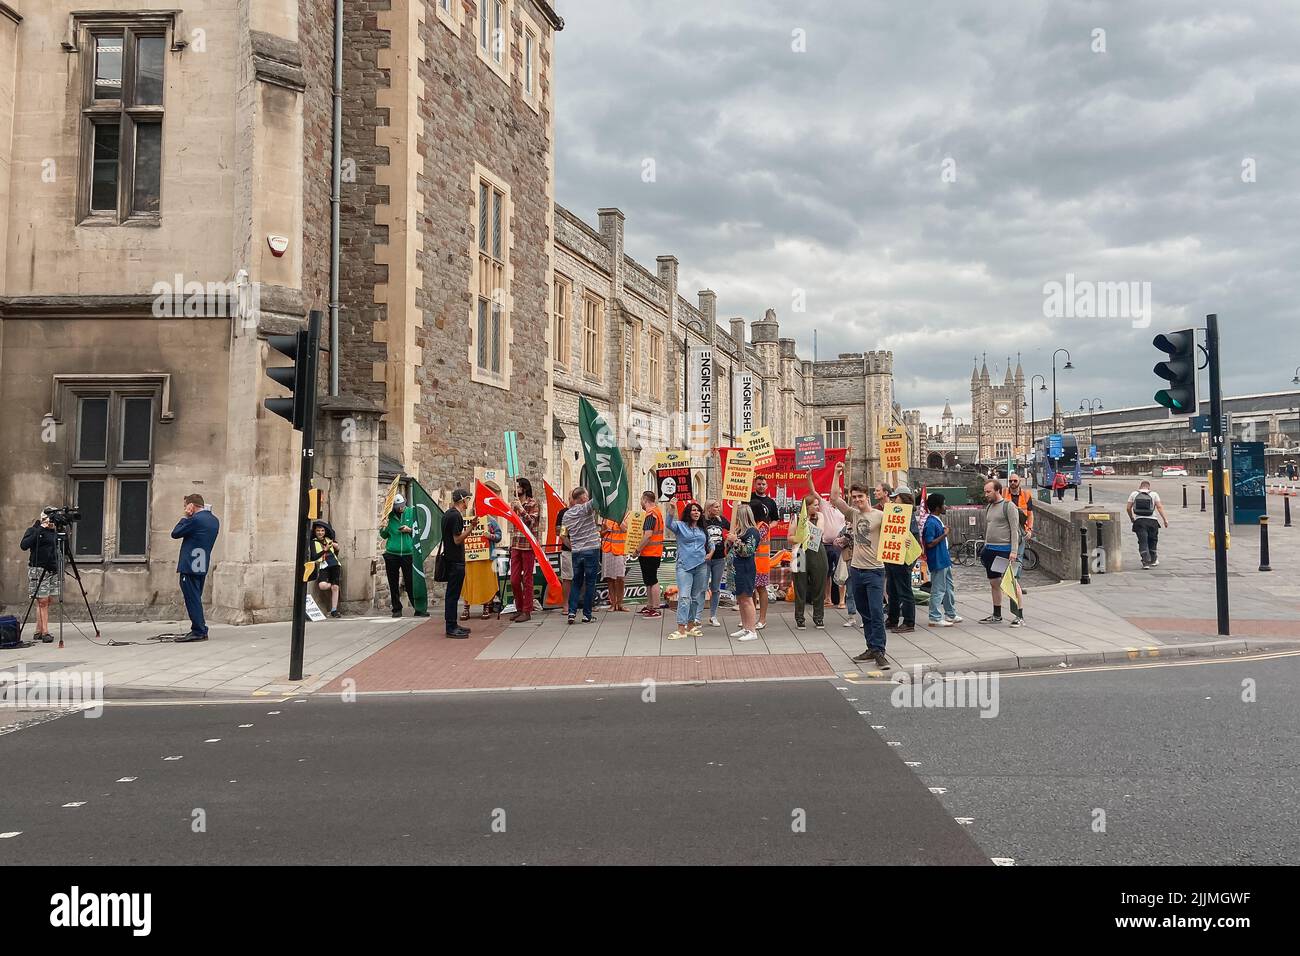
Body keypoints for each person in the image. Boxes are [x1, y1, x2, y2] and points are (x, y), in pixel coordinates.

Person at [829, 462, 888, 668]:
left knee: (876, 611)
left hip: (875, 571)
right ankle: (871, 647)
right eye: (854, 497)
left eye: (860, 497)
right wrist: (836, 473)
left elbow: (896, 535)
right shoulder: (853, 515)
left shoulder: (880, 516)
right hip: (857, 569)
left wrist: (906, 543)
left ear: (867, 497)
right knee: (864, 611)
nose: (856, 500)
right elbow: (835, 498)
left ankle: (880, 651)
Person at [171, 494, 220, 642]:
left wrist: (185, 516)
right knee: (195, 597)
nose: (185, 508)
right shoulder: (214, 520)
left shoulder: (195, 519)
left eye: (186, 506)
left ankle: (198, 630)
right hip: (202, 562)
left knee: (192, 599)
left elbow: (175, 533)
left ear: (191, 505)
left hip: (190, 564)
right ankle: (200, 629)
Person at [980, 480, 1023, 627]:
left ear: (997, 490)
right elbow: (989, 528)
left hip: (1004, 550)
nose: (986, 494)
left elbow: (1014, 530)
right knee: (994, 583)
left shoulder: (1009, 506)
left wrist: (1014, 551)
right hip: (990, 550)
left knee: (1011, 582)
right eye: (985, 491)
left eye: (988, 491)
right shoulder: (989, 507)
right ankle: (997, 614)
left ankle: (1019, 615)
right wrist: (985, 547)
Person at [664, 500, 709, 639]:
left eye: (698, 510)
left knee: (696, 598)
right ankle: (681, 628)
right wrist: (672, 508)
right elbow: (668, 524)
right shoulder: (680, 526)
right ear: (689, 512)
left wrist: (709, 554)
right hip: (684, 566)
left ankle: (691, 626)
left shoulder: (703, 529)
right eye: (693, 510)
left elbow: (710, 544)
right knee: (684, 597)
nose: (696, 512)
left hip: (701, 566)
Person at [462, 485, 504, 621]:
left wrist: (490, 536)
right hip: (471, 557)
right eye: (475, 506)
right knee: (468, 583)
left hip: (486, 557)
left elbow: (499, 536)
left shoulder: (491, 521)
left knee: (486, 583)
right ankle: (466, 608)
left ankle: (486, 606)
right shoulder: (466, 521)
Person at [20, 508, 60, 643]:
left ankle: (38, 630)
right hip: (38, 568)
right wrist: (40, 529)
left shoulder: (53, 532)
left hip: (51, 569)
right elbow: (24, 545)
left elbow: (61, 549)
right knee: (41, 601)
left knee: (47, 601)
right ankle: (45, 632)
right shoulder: (34, 530)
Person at [563, 487, 601, 624]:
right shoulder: (585, 508)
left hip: (576, 552)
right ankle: (587, 614)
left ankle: (572, 612)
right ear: (583, 497)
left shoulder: (566, 515)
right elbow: (598, 499)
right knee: (590, 583)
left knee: (576, 582)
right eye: (586, 495)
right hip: (591, 549)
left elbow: (563, 534)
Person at [792, 486, 828, 630]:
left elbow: (819, 532)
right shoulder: (796, 518)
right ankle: (799, 617)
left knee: (819, 585)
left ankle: (818, 617)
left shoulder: (820, 516)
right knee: (800, 586)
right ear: (806, 507)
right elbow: (790, 537)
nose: (817, 507)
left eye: (818, 505)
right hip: (800, 553)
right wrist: (799, 536)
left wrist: (808, 526)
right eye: (815, 505)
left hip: (816, 551)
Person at [726, 502, 762, 642]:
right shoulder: (739, 531)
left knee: (747, 599)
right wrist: (729, 542)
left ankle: (752, 630)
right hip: (737, 569)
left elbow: (748, 551)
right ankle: (746, 627)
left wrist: (735, 541)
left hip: (745, 569)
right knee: (740, 599)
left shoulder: (752, 531)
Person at [884, 484, 918, 633]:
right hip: (893, 556)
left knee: (904, 590)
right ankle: (893, 618)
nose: (893, 500)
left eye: (895, 498)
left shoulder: (908, 515)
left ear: (902, 498)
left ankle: (909, 621)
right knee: (892, 590)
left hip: (903, 558)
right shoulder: (895, 512)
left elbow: (913, 537)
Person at [923, 493, 960, 627]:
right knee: (938, 589)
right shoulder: (931, 523)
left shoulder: (936, 520)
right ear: (938, 507)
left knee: (948, 587)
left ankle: (950, 613)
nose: (945, 506)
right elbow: (929, 543)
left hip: (944, 559)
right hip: (938, 560)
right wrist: (944, 534)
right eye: (943, 504)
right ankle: (934, 616)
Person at [747, 475, 779, 629]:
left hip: (760, 563)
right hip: (752, 561)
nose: (761, 486)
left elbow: (775, 520)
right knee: (751, 589)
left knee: (760, 588)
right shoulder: (749, 497)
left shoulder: (762, 527)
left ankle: (762, 619)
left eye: (763, 484)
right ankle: (751, 617)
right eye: (758, 483)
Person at [508, 478, 541, 623]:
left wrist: (520, 510)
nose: (515, 489)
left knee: (528, 578)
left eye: (517, 487)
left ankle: (527, 610)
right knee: (514, 579)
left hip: (527, 545)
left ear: (524, 488)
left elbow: (531, 521)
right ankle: (519, 607)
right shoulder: (515, 504)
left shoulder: (532, 503)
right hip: (516, 544)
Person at [380, 493, 418, 618]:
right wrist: (384, 526)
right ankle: (397, 609)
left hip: (408, 553)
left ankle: (418, 607)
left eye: (402, 505)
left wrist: (409, 530)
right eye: (398, 506)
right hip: (392, 553)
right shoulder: (389, 516)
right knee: (393, 582)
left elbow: (419, 531)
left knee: (410, 582)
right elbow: (384, 535)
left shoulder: (411, 512)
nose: (401, 508)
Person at [441, 488, 472, 638]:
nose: (468, 503)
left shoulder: (447, 514)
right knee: (452, 595)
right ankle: (451, 626)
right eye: (467, 499)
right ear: (462, 500)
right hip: (455, 561)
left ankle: (452, 623)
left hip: (451, 559)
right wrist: (471, 528)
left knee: (451, 594)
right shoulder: (456, 517)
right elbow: (457, 539)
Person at [632, 491, 664, 619]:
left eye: (641, 500)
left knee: (652, 580)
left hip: (650, 552)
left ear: (644, 500)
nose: (640, 502)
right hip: (654, 552)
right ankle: (650, 606)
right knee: (649, 580)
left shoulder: (651, 514)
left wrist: (637, 550)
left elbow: (648, 535)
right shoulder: (657, 512)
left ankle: (655, 607)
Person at [1126, 479, 1170, 569]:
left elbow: (1128, 508)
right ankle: (1153, 560)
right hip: (1152, 521)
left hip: (1139, 521)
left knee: (1143, 541)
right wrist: (1165, 520)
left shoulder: (1133, 494)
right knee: (1153, 540)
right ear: (1149, 486)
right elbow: (1159, 507)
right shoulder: (1154, 494)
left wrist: (1132, 518)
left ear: (1140, 486)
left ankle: (1145, 562)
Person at [702, 500, 730, 627]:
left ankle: (713, 615)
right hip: (705, 557)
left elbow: (732, 528)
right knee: (702, 587)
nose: (719, 509)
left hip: (719, 557)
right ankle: (697, 616)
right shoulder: (702, 520)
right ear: (709, 508)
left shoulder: (721, 520)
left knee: (715, 588)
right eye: (716, 506)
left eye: (719, 506)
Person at [309, 521, 343, 618]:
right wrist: (325, 549)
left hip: (335, 565)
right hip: (323, 566)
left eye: (322, 530)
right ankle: (334, 586)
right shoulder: (313, 542)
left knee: (335, 588)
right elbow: (314, 556)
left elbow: (336, 551)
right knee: (323, 585)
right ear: (315, 532)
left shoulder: (329, 540)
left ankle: (334, 610)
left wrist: (337, 547)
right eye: (318, 531)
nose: (320, 532)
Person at [1005, 473, 1035, 582]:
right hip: (1007, 530)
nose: (1012, 483)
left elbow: (1030, 514)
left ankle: (1015, 582)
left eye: (1015, 481)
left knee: (1019, 557)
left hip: (1021, 530)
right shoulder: (1003, 493)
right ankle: (1008, 582)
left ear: (1019, 482)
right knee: (1006, 556)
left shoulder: (1026, 495)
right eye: (1010, 481)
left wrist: (1030, 529)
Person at [601, 515, 628, 611]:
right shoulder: (606, 516)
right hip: (607, 550)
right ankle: (613, 604)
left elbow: (625, 529)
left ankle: (620, 603)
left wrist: (618, 519)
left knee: (620, 578)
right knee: (610, 578)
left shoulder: (625, 516)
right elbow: (601, 533)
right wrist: (605, 531)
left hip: (620, 550)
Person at [554, 502, 573, 610]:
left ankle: (585, 603)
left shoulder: (583, 512)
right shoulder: (564, 514)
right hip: (568, 550)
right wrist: (571, 546)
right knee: (567, 578)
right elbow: (561, 533)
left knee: (584, 577)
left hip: (583, 550)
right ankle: (565, 604)